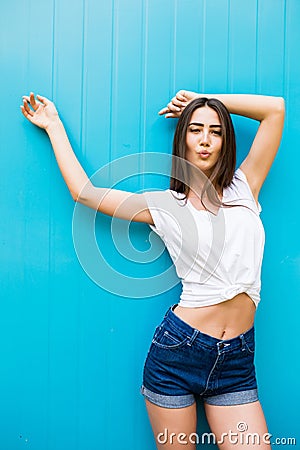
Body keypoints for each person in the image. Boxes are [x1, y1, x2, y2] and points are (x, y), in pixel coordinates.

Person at [21, 90, 285, 449]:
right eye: (195, 129)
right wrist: (53, 126)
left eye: (216, 131)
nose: (205, 140)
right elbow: (84, 193)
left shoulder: (245, 186)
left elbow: (275, 110)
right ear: (183, 139)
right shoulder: (164, 206)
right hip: (178, 353)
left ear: (225, 141)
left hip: (237, 361)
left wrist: (203, 98)